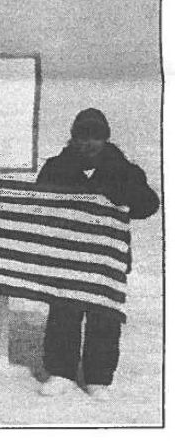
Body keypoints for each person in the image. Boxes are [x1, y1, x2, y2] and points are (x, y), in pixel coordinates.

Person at [35, 108, 158, 400]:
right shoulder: (56, 167)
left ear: (105, 138)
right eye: (81, 136)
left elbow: (149, 205)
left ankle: (98, 377)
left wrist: (125, 193)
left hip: (105, 261)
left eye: (94, 137)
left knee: (104, 318)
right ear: (72, 138)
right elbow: (37, 204)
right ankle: (61, 372)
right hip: (68, 256)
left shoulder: (124, 169)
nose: (87, 143)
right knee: (64, 312)